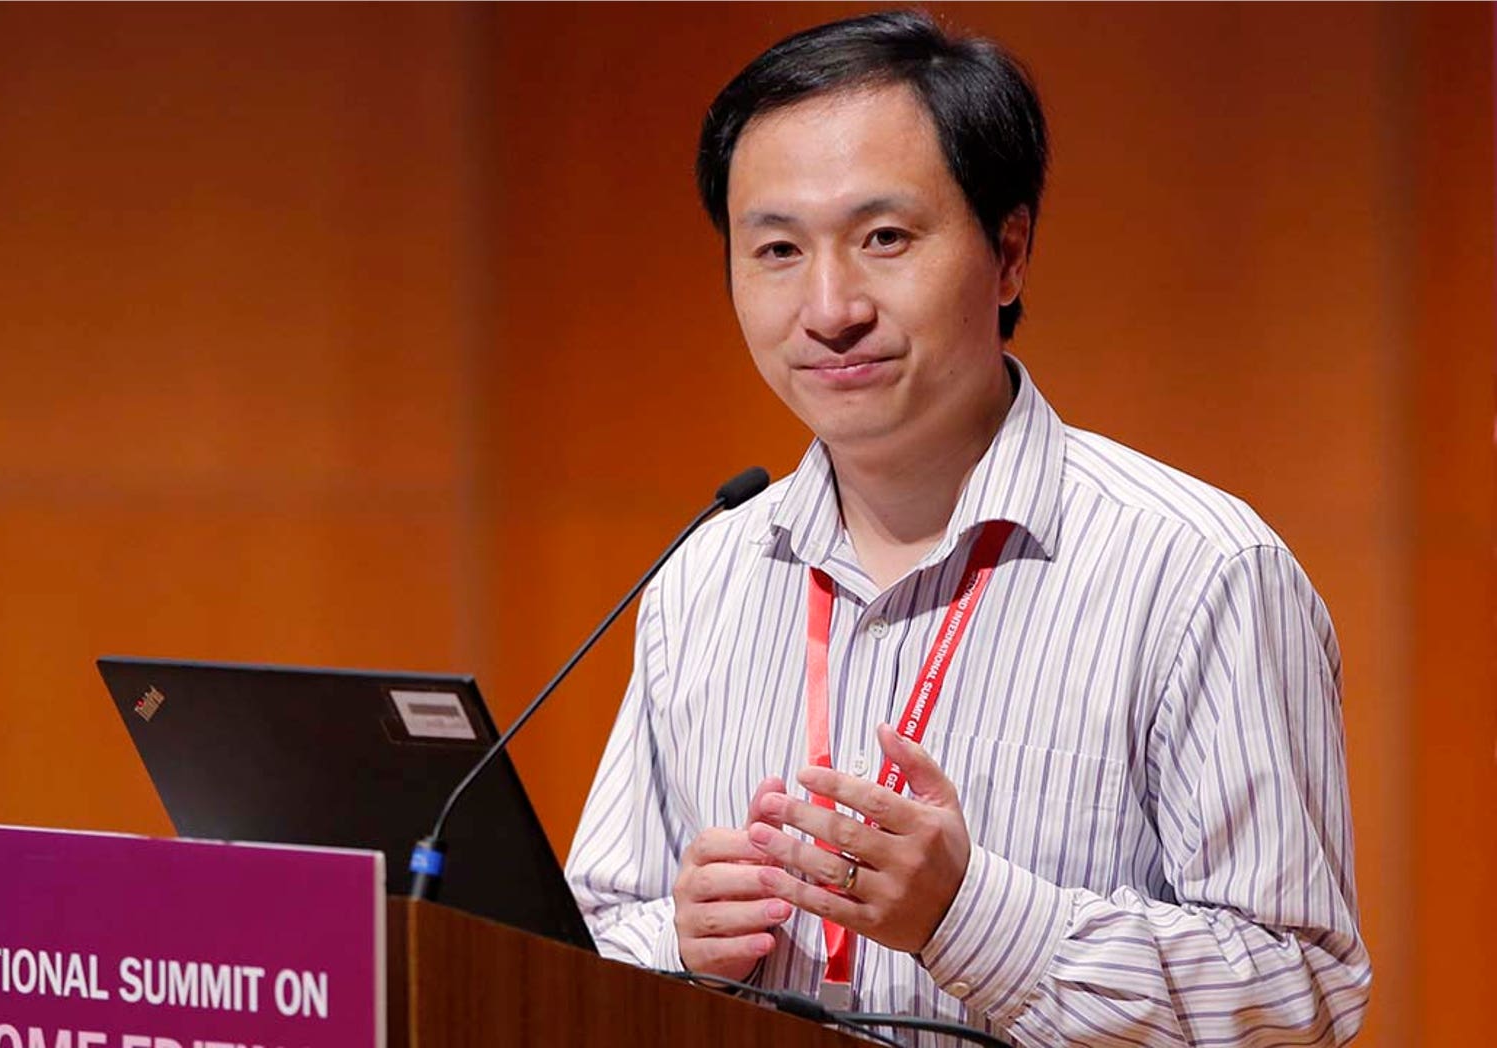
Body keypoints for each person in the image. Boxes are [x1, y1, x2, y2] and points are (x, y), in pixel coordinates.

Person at [563, 10, 1371, 1046]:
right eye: (774, 248)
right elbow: (588, 929)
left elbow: (1302, 997)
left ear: (1008, 253)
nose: (827, 306)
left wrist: (969, 916)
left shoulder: (1198, 570)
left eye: (882, 238)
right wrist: (680, 939)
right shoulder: (705, 573)